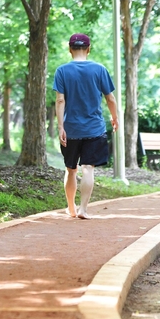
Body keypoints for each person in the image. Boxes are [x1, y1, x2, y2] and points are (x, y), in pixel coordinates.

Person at [53, 33, 119, 219]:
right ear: (88, 49)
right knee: (88, 168)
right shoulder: (99, 69)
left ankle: (71, 208)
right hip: (94, 129)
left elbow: (60, 100)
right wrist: (114, 118)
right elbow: (110, 98)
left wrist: (60, 127)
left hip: (71, 129)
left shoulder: (62, 71)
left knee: (71, 170)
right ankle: (83, 209)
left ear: (69, 48)